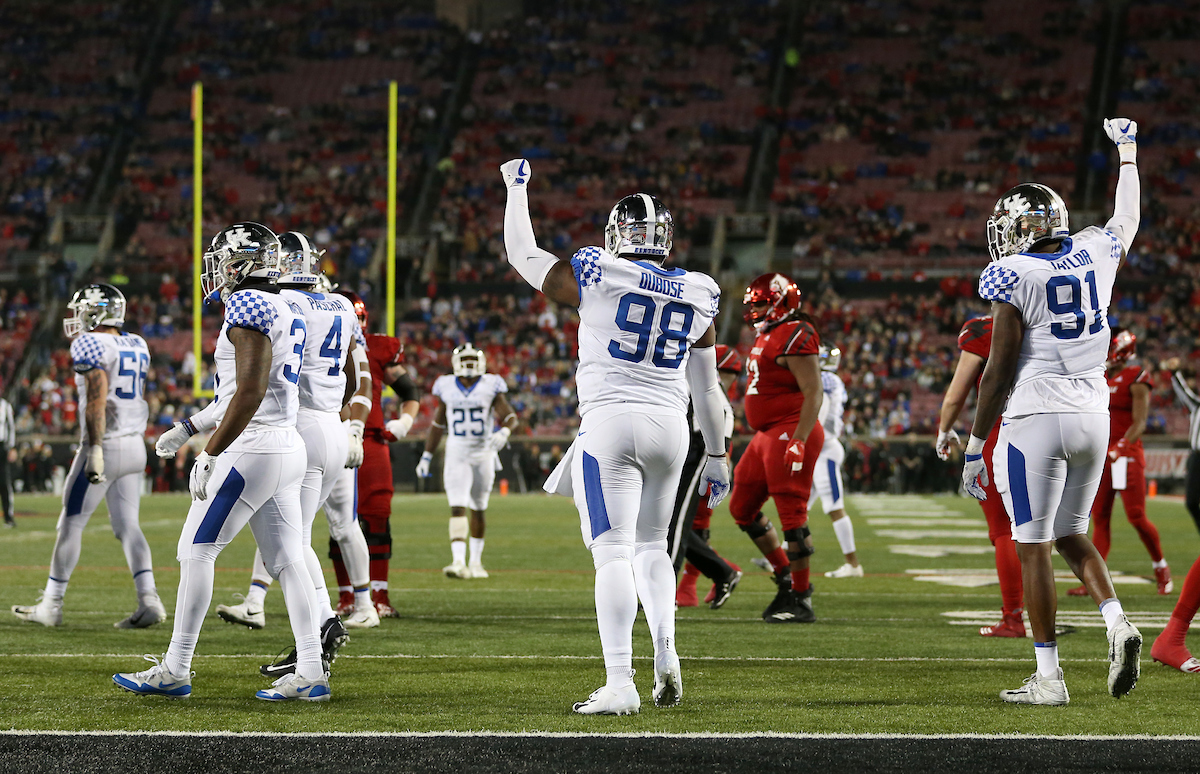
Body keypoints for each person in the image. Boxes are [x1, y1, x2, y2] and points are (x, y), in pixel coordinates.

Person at [502, 159, 730, 715]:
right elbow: (709, 391)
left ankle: (620, 682)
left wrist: (516, 189)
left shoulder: (598, 271)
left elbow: (523, 254)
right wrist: (719, 456)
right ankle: (667, 655)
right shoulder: (700, 290)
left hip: (610, 424)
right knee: (654, 547)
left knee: (612, 555)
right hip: (672, 430)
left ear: (616, 234)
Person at [961, 118, 1143, 705]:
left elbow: (1000, 366)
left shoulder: (1014, 271)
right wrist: (1128, 151)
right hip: (1095, 413)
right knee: (1073, 531)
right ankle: (1117, 622)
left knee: (1033, 541)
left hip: (1036, 414)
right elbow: (1128, 216)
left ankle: (1050, 677)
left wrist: (972, 444)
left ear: (1018, 229)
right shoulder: (1094, 249)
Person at [115, 222, 327, 701]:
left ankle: (175, 667)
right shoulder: (288, 303)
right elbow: (240, 391)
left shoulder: (248, 302)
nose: (219, 268)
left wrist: (209, 453)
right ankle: (312, 670)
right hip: (285, 445)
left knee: (196, 551)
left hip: (251, 450)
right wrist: (188, 428)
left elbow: (249, 392)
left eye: (225, 259)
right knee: (289, 560)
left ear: (244, 262)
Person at [210, 231, 377, 673]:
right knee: (297, 540)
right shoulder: (341, 304)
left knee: (292, 544)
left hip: (297, 424)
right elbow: (357, 372)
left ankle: (320, 632)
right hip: (333, 426)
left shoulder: (279, 303)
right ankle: (317, 631)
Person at [12, 283, 164, 628]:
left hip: (105, 444)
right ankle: (148, 598)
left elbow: (96, 399)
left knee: (71, 522)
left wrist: (94, 448)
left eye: (82, 310)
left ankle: (51, 605)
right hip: (135, 445)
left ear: (98, 312)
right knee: (128, 526)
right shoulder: (136, 343)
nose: (77, 317)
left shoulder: (91, 342)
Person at [728, 273, 824, 623]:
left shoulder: (797, 333)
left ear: (782, 302)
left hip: (789, 431)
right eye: (754, 304)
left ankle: (801, 597)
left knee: (792, 515)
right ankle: (785, 576)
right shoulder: (769, 332)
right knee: (742, 507)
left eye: (762, 303)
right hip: (766, 434)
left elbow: (814, 391)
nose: (756, 310)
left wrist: (799, 438)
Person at [935, 315, 1025, 638]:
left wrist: (944, 429)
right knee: (1047, 533)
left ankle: (1013, 618)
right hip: (1054, 423)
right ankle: (1111, 613)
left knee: (1003, 530)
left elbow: (956, 393)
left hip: (1002, 428)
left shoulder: (984, 328)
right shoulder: (1048, 314)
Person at [1067, 330, 1169, 596]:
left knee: (1136, 516)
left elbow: (1139, 423)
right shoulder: (1100, 375)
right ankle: (1092, 582)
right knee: (1100, 518)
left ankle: (1161, 567)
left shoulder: (1136, 377)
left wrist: (1119, 447)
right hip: (1102, 455)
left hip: (1126, 455)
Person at [336, 306, 420, 618]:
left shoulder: (378, 348)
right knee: (340, 522)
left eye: (360, 318)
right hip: (332, 437)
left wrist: (404, 423)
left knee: (378, 518)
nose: (355, 324)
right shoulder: (314, 339)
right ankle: (347, 597)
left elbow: (410, 391)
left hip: (371, 439)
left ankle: (379, 595)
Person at [416, 342, 519, 579]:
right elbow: (437, 424)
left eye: (474, 360)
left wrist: (505, 431)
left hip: (483, 451)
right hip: (457, 450)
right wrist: (427, 455)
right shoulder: (446, 385)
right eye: (465, 360)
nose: (469, 365)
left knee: (479, 507)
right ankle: (458, 561)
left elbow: (510, 415)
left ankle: (476, 562)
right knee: (457, 505)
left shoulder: (490, 385)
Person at [675, 344, 743, 609]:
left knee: (678, 524)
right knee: (669, 524)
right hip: (689, 450)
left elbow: (721, 419)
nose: (731, 379)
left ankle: (676, 589)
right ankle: (721, 572)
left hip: (701, 455)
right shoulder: (700, 379)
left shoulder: (709, 387)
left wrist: (719, 459)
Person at [811, 345, 862, 579]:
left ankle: (852, 564)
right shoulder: (834, 379)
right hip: (821, 447)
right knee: (800, 506)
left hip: (824, 448)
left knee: (834, 506)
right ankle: (782, 557)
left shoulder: (825, 378)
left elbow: (819, 410)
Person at [1165, 359, 1200, 535]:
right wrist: (1175, 372)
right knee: (1191, 502)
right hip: (1196, 456)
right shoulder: (1197, 405)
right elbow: (1183, 391)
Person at [1, 396, 14, 527]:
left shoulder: (5, 405)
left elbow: (11, 427)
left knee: (4, 482)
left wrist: (12, 446)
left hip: (2, 447)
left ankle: (8, 517)